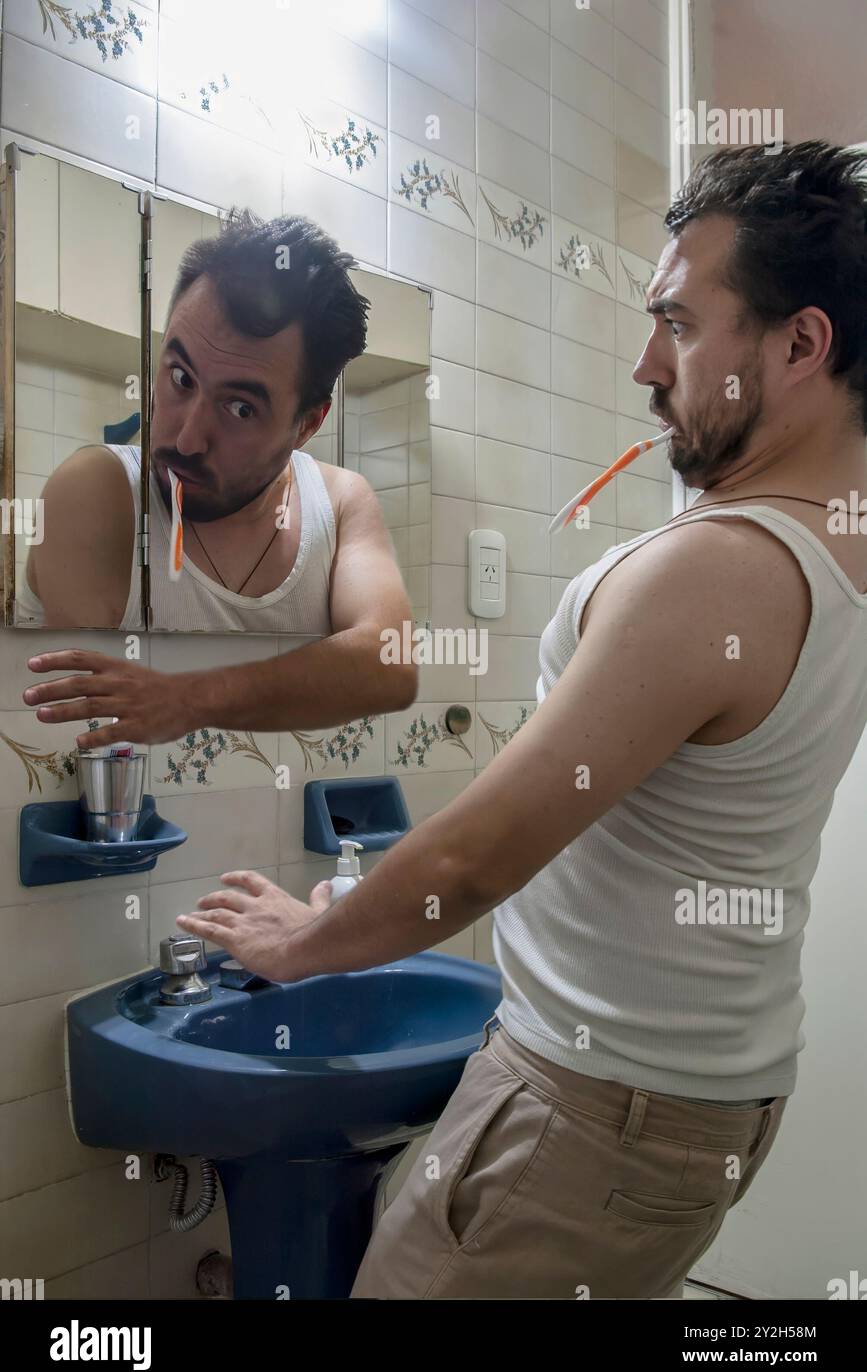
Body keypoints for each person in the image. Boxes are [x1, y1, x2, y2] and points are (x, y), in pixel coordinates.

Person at [180, 141, 867, 1298]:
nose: (647, 364)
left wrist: (299, 945)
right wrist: (353, 903)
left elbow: (481, 851)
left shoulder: (715, 567)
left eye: (681, 325)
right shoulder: (840, 556)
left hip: (594, 1114)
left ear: (800, 344)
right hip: (707, 1100)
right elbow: (628, 832)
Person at [20, 211, 416, 749]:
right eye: (180, 377)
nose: (186, 439)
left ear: (307, 424)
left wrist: (188, 699)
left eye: (240, 408)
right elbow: (88, 742)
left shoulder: (342, 502)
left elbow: (390, 663)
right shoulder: (96, 489)